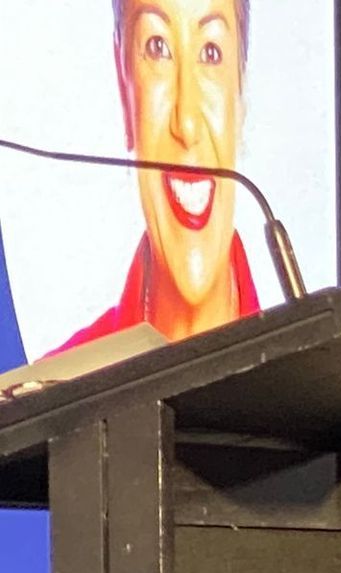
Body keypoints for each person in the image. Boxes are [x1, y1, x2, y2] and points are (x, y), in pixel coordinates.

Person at [55, 0, 258, 353]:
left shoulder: (321, 380)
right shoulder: (52, 386)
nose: (186, 124)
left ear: (239, 100)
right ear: (125, 89)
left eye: (211, 52)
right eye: (157, 47)